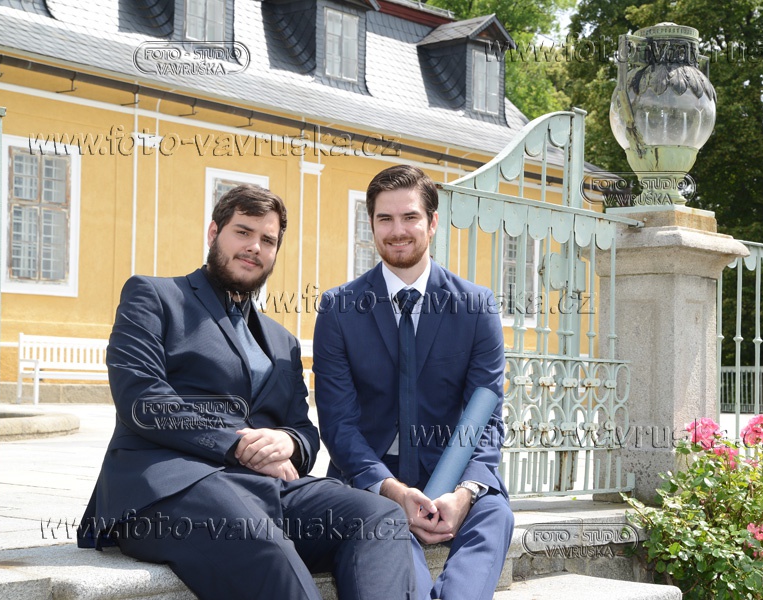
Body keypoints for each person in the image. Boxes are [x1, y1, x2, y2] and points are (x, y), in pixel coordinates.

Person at [77, 185, 417, 600]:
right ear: (213, 233)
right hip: (167, 489)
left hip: (265, 489)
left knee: (380, 516)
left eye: (268, 240)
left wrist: (288, 442)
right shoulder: (154, 296)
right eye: (242, 232)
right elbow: (143, 399)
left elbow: (304, 431)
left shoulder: (283, 341)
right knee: (264, 545)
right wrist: (236, 445)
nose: (255, 247)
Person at [313, 165, 514, 600]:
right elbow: (339, 425)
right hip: (371, 478)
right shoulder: (338, 309)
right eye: (385, 219)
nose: (397, 230)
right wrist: (392, 490)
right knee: (382, 526)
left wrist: (464, 493)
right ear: (371, 224)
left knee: (495, 514)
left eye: (410, 217)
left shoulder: (476, 307)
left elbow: (486, 416)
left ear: (432, 222)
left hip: (452, 472)